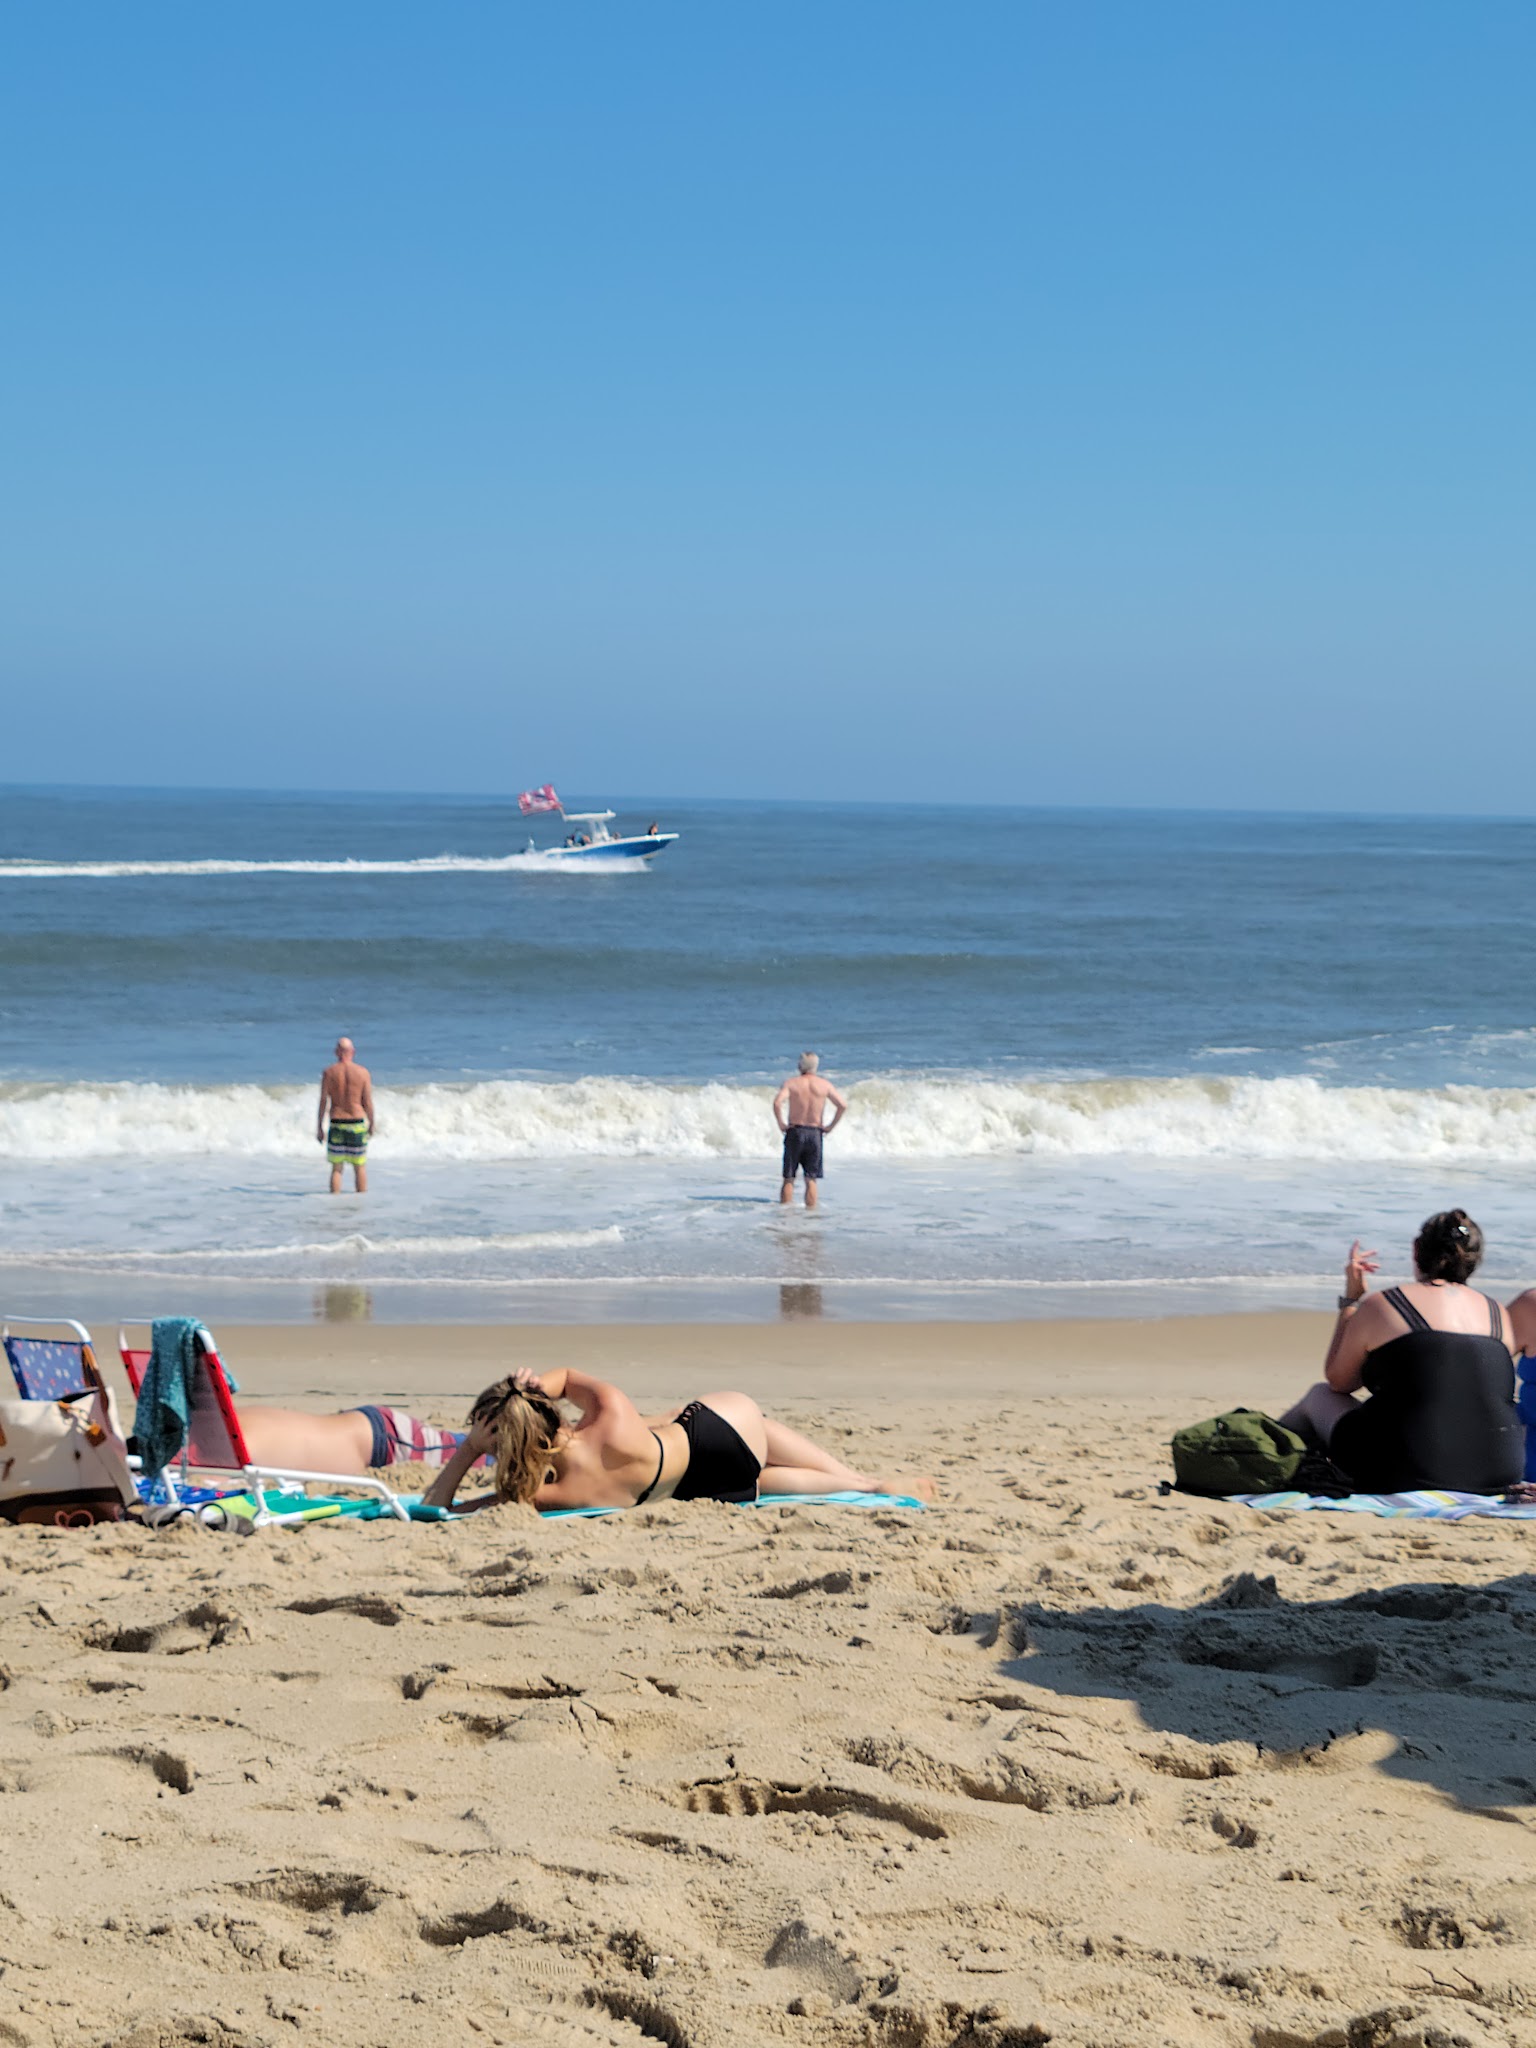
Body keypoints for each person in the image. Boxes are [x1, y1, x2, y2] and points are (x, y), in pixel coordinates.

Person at [423, 1367, 936, 1513]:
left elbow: (440, 1507)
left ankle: (866, 1489)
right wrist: (527, 1386)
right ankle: (865, 1483)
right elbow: (566, 1376)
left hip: (699, 1485)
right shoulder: (609, 1412)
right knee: (693, 1421)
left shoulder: (543, 1495)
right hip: (722, 1428)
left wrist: (468, 1450)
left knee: (762, 1482)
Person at [1279, 1210, 1524, 1493]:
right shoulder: (1497, 1314)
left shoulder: (1386, 1304)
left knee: (1319, 1395)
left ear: (1416, 1249)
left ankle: (1260, 1456)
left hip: (1407, 1471)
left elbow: (1339, 1381)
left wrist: (1351, 1301)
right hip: (1499, 1471)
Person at [773, 1051, 848, 1210]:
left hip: (795, 1131)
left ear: (800, 1065)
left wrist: (781, 1123)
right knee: (811, 1179)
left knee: (789, 1177)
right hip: (815, 1133)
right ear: (815, 1066)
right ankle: (811, 1215)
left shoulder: (791, 1083)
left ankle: (785, 1214)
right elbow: (842, 1105)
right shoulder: (824, 1085)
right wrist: (830, 1127)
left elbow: (777, 1103)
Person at [317, 1037, 374, 1194]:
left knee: (337, 1168)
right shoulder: (362, 1072)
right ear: (353, 1052)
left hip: (337, 1122)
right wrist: (372, 1123)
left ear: (336, 1052)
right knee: (359, 1166)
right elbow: (367, 1102)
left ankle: (334, 1203)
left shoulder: (329, 1072)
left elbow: (323, 1102)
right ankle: (361, 1202)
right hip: (356, 1123)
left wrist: (319, 1127)